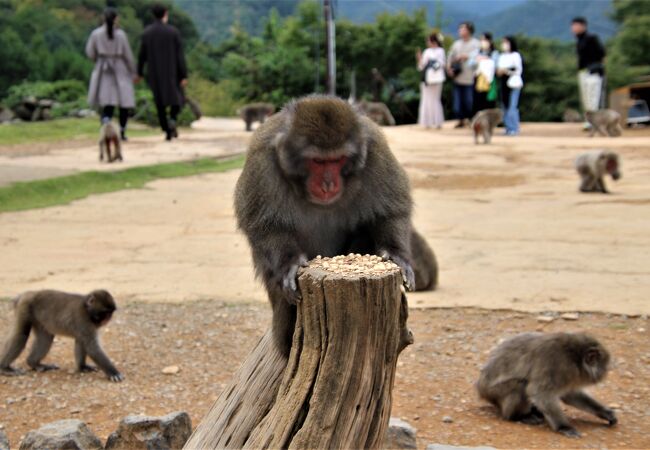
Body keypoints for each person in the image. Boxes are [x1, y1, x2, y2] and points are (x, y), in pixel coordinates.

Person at [137, 4, 188, 141]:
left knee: (160, 104)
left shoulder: (147, 33)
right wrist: (183, 75)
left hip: (155, 74)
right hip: (173, 73)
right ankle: (172, 119)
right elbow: (180, 56)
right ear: (165, 14)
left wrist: (139, 72)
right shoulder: (173, 32)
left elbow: (142, 55)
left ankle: (166, 129)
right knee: (177, 101)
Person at [86, 7, 136, 141]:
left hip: (103, 69)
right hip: (120, 68)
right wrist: (133, 72)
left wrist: (99, 59)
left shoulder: (96, 34)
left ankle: (105, 129)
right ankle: (122, 131)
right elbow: (128, 55)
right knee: (123, 103)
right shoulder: (121, 35)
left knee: (107, 103)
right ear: (116, 19)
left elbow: (90, 52)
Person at [446, 22, 480, 128]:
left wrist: (468, 56)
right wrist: (449, 69)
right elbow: (450, 57)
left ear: (469, 30)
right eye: (460, 29)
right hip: (458, 77)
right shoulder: (456, 44)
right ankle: (460, 120)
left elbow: (480, 57)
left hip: (470, 77)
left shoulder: (476, 43)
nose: (461, 31)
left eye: (463, 29)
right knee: (457, 102)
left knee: (469, 101)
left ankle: (470, 119)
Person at [571, 17, 606, 119]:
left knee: (593, 96)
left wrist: (598, 67)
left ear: (583, 26)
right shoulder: (578, 41)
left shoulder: (592, 38)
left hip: (593, 71)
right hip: (582, 71)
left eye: (576, 25)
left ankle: (595, 119)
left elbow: (602, 54)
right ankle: (589, 119)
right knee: (585, 98)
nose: (573, 28)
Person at [417, 32, 446, 129]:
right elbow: (421, 66)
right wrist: (420, 59)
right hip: (427, 78)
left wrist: (432, 63)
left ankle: (437, 122)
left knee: (435, 99)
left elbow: (441, 63)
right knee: (426, 99)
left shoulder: (440, 51)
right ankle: (427, 122)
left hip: (437, 78)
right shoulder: (427, 51)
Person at [496, 36, 523, 136]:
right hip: (503, 83)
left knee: (512, 106)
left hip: (513, 83)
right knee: (505, 106)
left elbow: (518, 70)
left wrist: (506, 71)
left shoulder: (515, 55)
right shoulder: (502, 56)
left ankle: (514, 128)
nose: (504, 44)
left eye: (506, 42)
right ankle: (508, 127)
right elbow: (498, 69)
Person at [473, 32, 499, 113]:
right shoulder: (477, 52)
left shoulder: (494, 53)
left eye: (484, 40)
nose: (483, 42)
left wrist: (485, 58)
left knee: (489, 100)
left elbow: (496, 65)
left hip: (490, 80)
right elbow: (470, 63)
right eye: (481, 40)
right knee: (478, 100)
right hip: (479, 79)